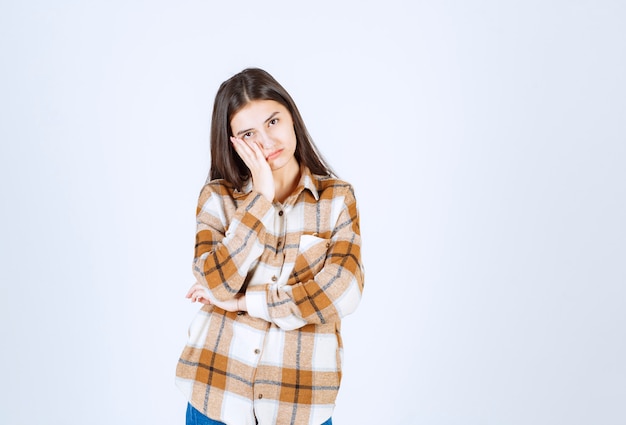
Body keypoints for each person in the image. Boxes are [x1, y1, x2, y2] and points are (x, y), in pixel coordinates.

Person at [175, 68, 364, 425]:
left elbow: (344, 291)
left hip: (299, 404)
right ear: (232, 141)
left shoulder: (336, 199)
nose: (266, 140)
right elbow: (217, 283)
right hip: (216, 395)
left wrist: (246, 302)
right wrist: (259, 198)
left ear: (291, 115)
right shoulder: (218, 199)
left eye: (273, 121)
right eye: (249, 134)